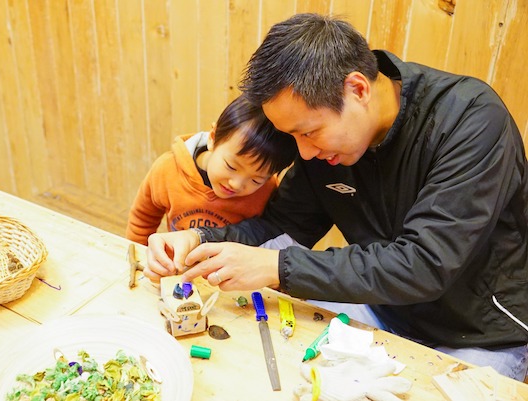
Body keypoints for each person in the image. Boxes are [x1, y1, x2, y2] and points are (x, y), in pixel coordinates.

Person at [145, 14, 528, 381]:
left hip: (481, 333)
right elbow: (284, 225)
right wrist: (200, 241)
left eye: (308, 133)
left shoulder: (471, 121)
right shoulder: (320, 147)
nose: (304, 154)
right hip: (381, 306)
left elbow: (424, 265)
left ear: (357, 89)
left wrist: (278, 268)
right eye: (292, 137)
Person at [126, 95, 297, 245]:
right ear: (213, 138)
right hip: (177, 270)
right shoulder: (167, 170)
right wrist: (140, 256)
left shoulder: (268, 191)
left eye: (256, 180)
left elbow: (266, 239)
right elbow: (142, 219)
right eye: (231, 166)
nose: (236, 184)